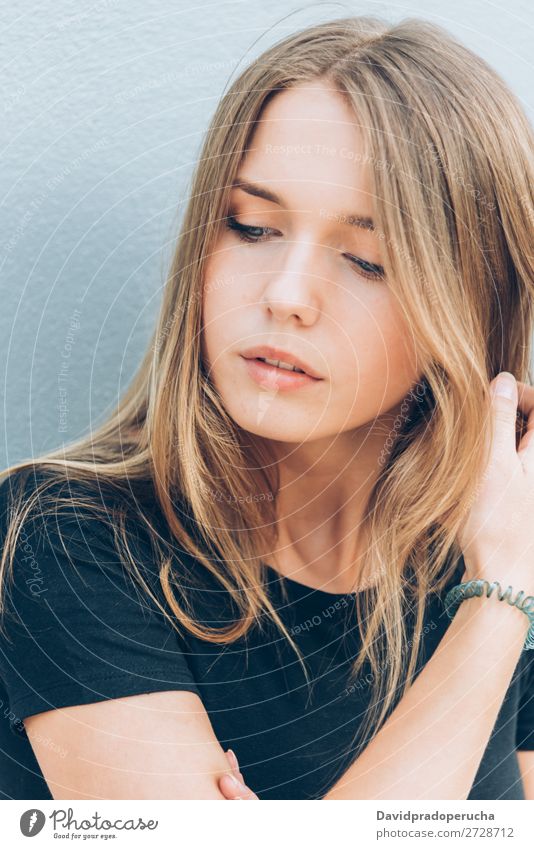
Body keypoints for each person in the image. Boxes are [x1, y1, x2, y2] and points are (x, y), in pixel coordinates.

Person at [0, 15, 533, 802]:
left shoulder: (497, 543)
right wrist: (497, 609)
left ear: (474, 304)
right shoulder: (63, 541)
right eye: (251, 227)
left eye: (367, 260)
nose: (285, 295)